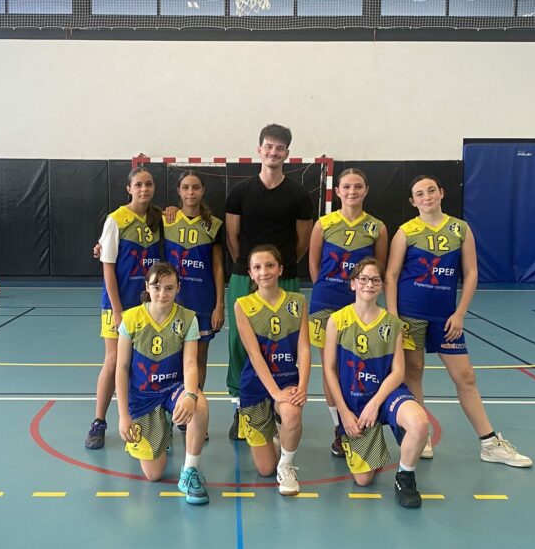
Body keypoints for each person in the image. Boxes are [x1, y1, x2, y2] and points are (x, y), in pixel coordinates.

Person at [384, 175, 532, 467]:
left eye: (431, 190)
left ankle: (489, 443)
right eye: (419, 194)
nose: (426, 196)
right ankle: (421, 435)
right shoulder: (406, 231)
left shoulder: (460, 229)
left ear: (441, 192)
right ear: (413, 201)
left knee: (465, 376)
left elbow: (471, 273)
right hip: (410, 314)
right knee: (413, 372)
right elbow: (391, 275)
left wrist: (460, 312)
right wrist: (393, 317)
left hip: (446, 317)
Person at [225, 124, 315, 439]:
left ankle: (280, 404)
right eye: (269, 146)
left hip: (284, 277)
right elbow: (233, 238)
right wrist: (253, 271)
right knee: (240, 344)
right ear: (259, 149)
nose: (273, 152)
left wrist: (278, 269)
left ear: (287, 153)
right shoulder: (240, 193)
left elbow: (303, 242)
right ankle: (242, 406)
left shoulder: (299, 196)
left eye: (279, 148)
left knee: (285, 344)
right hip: (245, 276)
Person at [323, 258, 427, 508]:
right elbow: (329, 369)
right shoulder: (337, 320)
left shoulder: (393, 324)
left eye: (375, 280)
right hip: (354, 401)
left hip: (386, 395)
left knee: (420, 424)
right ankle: (361, 439)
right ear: (353, 284)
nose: (369, 284)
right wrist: (343, 413)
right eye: (363, 279)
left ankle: (405, 477)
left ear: (381, 286)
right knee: (363, 480)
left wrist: (375, 403)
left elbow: (398, 372)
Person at [308, 168, 387, 458]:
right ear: (337, 191)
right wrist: (326, 288)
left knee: (356, 365)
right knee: (330, 367)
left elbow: (379, 269)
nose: (352, 191)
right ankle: (340, 428)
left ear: (366, 190)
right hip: (325, 302)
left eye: (358, 186)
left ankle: (361, 422)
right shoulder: (324, 224)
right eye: (346, 187)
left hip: (360, 305)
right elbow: (314, 265)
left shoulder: (377, 227)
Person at [115, 262, 210, 503]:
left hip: (172, 389)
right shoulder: (131, 318)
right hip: (143, 395)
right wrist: (123, 415)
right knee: (154, 475)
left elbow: (191, 363)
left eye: (169, 288)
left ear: (178, 288)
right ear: (147, 287)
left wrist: (190, 395)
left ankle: (189, 471)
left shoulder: (187, 318)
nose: (162, 293)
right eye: (156, 287)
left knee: (199, 405)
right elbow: (122, 368)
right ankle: (162, 426)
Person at [85, 165, 162, 450]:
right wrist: (117, 310)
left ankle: (146, 418)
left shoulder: (158, 220)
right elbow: (108, 268)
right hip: (119, 304)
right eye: (138, 184)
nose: (144, 189)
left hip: (148, 306)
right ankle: (99, 421)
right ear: (129, 189)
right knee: (114, 361)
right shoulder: (116, 220)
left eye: (148, 184)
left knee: (144, 362)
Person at [234, 245, 310, 496]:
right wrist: (275, 392)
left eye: (269, 265)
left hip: (287, 380)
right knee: (265, 469)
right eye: (257, 267)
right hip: (255, 385)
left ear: (280, 269)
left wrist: (302, 387)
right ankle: (277, 434)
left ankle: (286, 465)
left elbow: (304, 349)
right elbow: (254, 355)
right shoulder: (243, 305)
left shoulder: (298, 302)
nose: (264, 271)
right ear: (250, 274)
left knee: (291, 411)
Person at [163, 170, 225, 394]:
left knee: (200, 354)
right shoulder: (166, 220)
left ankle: (195, 402)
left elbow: (218, 267)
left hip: (202, 300)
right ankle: (175, 401)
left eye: (196, 187)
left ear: (203, 191)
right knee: (172, 355)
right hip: (173, 301)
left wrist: (219, 305)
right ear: (179, 191)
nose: (191, 192)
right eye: (186, 187)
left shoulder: (214, 225)